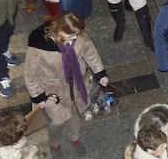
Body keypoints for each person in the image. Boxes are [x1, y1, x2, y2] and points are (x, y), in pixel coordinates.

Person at [24, 12, 108, 157]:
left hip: (77, 85)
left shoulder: (78, 35)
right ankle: (55, 145)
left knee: (75, 114)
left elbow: (90, 53)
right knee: (56, 122)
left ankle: (75, 138)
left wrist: (100, 73)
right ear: (60, 30)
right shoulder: (39, 48)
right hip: (54, 92)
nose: (75, 38)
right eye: (71, 36)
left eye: (76, 34)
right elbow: (31, 74)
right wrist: (39, 98)